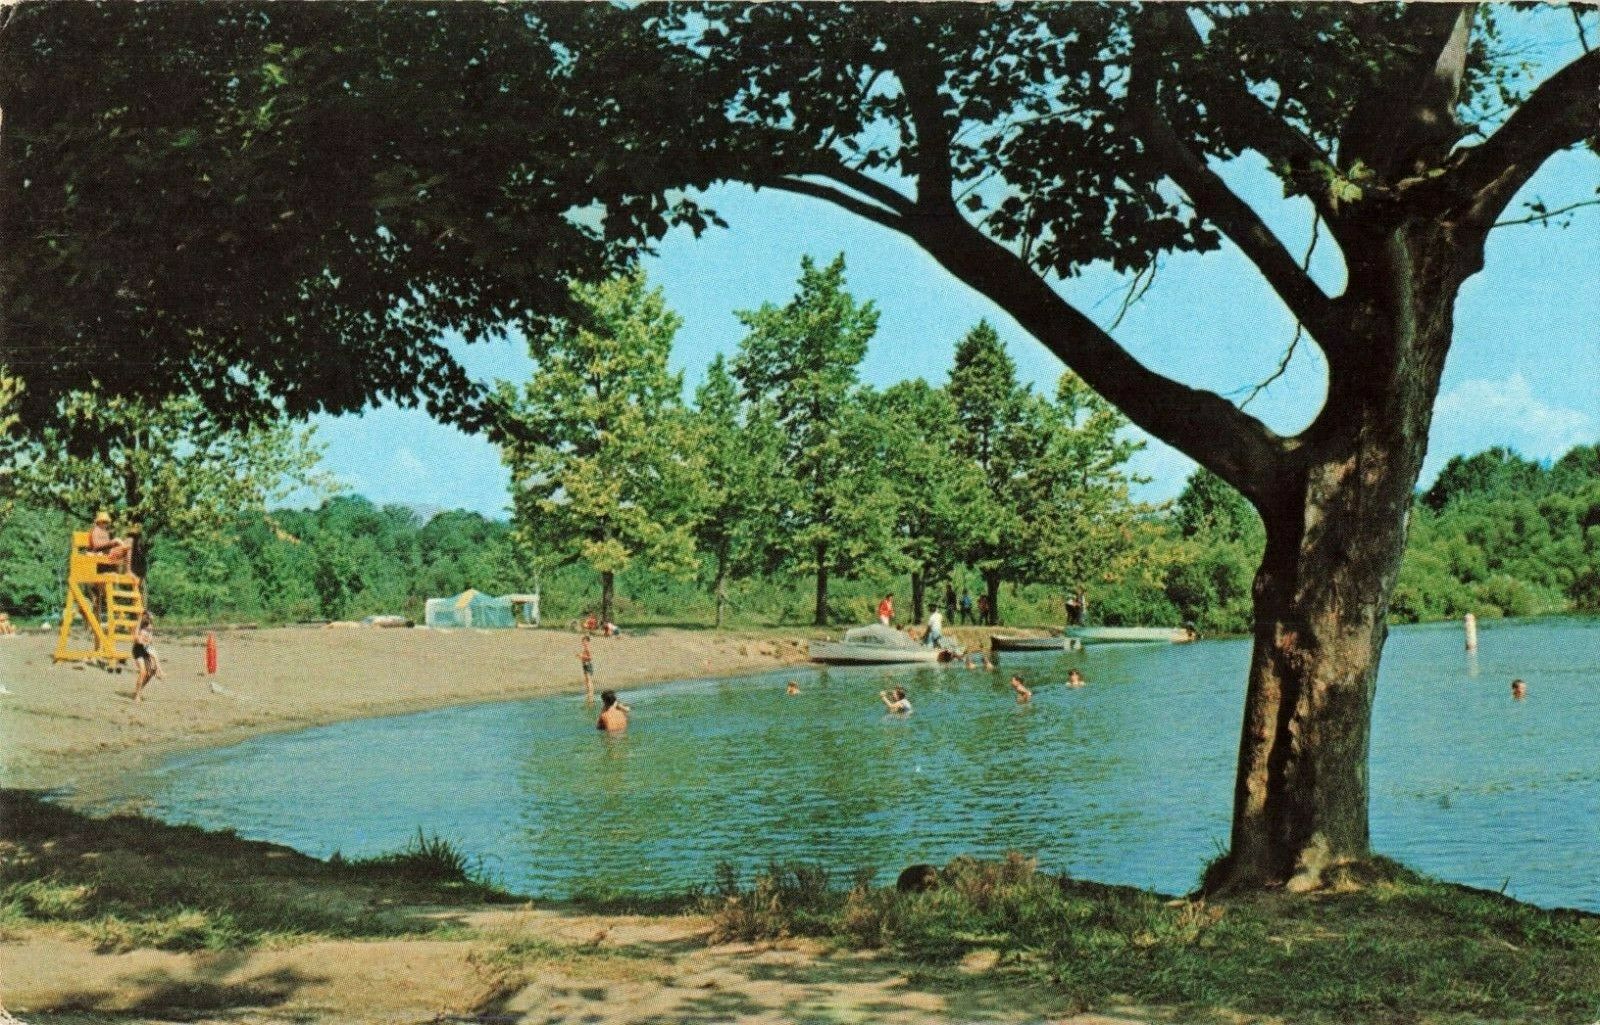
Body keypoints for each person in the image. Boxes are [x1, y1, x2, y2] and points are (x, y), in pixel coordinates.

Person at [87, 511, 135, 575]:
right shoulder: (96, 530)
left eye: (106, 522)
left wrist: (114, 543)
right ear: (99, 522)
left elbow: (108, 545)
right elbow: (96, 546)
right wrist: (113, 542)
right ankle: (127, 570)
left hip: (109, 553)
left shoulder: (105, 532)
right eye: (104, 522)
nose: (105, 524)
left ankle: (128, 571)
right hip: (100, 554)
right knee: (122, 544)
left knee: (129, 541)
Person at [131, 612, 164, 702]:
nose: (148, 619)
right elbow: (137, 639)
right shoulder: (138, 627)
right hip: (138, 651)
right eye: (146, 617)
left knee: (151, 672)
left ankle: (139, 689)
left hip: (146, 650)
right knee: (143, 672)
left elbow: (149, 641)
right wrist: (140, 620)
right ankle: (137, 695)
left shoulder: (149, 626)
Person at [579, 633, 595, 702]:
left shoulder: (588, 648)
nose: (583, 642)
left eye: (584, 641)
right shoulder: (585, 648)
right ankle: (589, 693)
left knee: (589, 680)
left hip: (588, 664)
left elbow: (590, 657)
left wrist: (581, 656)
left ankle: (590, 694)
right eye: (582, 641)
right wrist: (581, 657)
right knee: (587, 680)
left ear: (588, 642)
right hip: (585, 664)